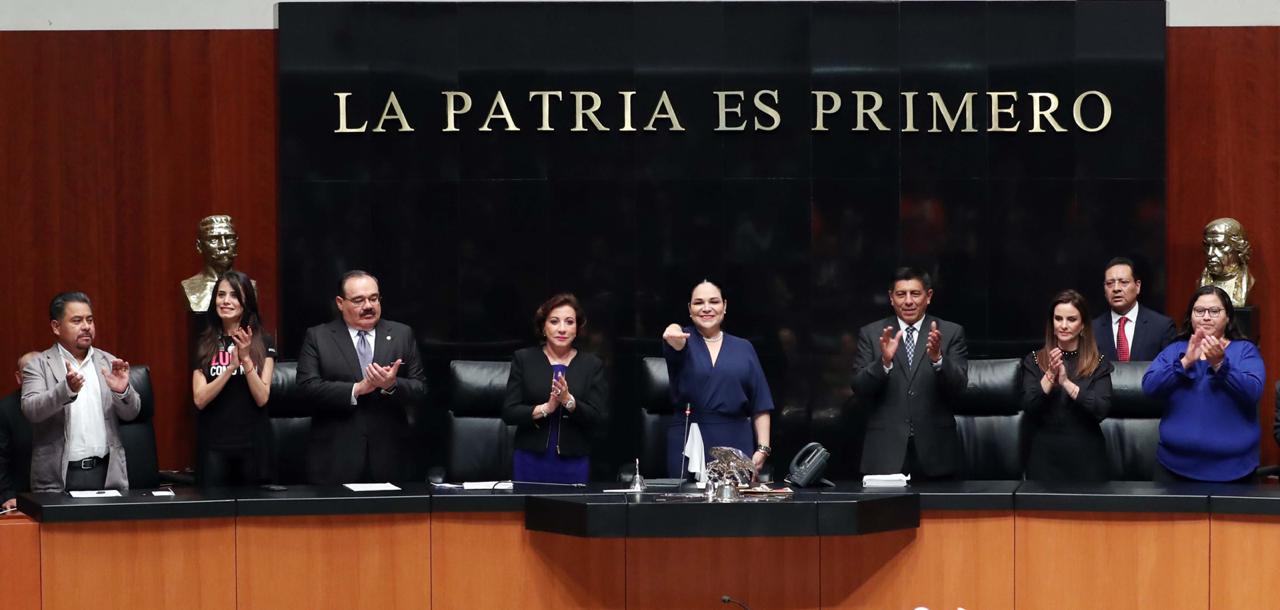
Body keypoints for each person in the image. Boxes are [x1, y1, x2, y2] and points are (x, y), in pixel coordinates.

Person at [297, 270, 428, 484]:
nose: (368, 306)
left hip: (390, 454)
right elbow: (307, 388)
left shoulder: (401, 334)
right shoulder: (318, 336)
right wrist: (356, 389)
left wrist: (391, 384)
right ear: (340, 303)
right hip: (336, 455)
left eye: (373, 298)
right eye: (358, 300)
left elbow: (420, 389)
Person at [851, 267, 968, 479]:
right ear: (891, 298)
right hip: (885, 451)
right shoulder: (872, 334)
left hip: (936, 452)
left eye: (915, 294)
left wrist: (938, 359)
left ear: (928, 296)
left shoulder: (950, 332)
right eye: (900, 294)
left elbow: (960, 387)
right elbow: (859, 388)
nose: (908, 301)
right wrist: (883, 363)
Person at [1142, 286, 1264, 483]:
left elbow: (1253, 391)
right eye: (1199, 311)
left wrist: (1220, 364)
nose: (1206, 317)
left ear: (1228, 318)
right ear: (1191, 316)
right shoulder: (1175, 350)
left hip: (1234, 471)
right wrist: (1185, 362)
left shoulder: (1244, 351)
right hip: (1174, 469)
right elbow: (1149, 387)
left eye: (1214, 311)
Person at [21, 292, 140, 492]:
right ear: (56, 327)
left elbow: (132, 413)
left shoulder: (109, 362)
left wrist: (122, 391)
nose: (86, 326)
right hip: (58, 479)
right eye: (77, 321)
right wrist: (65, 390)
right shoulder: (38, 365)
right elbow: (31, 410)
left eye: (90, 320)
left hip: (107, 475)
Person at [661, 281, 773, 479]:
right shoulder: (682, 341)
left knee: (734, 508)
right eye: (698, 303)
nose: (706, 308)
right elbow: (673, 336)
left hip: (735, 440)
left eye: (714, 301)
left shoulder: (744, 348)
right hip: (688, 439)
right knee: (685, 507)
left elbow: (761, 403)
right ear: (689, 309)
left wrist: (763, 448)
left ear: (725, 306)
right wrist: (673, 327)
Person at [501, 294, 607, 484]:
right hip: (530, 459)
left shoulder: (592, 365)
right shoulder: (524, 360)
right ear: (543, 327)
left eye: (569, 322)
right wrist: (546, 409)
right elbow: (509, 412)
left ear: (577, 329)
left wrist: (569, 401)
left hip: (574, 460)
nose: (562, 329)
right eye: (554, 321)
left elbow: (598, 417)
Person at [192, 271, 276, 488]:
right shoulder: (204, 343)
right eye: (221, 295)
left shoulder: (263, 341)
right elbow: (200, 399)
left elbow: (262, 397)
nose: (226, 301)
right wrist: (229, 368)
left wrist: (246, 359)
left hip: (253, 445)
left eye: (234, 295)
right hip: (214, 445)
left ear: (245, 301)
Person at [1020, 290, 1113, 482]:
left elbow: (1101, 409)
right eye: (1058, 319)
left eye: (1071, 319)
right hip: (1045, 457)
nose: (1063, 325)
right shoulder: (1035, 360)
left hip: (1087, 457)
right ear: (1051, 323)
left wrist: (1065, 383)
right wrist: (1050, 375)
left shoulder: (1098, 362)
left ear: (1083, 325)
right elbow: (1029, 406)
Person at [1092, 257, 1176, 362]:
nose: (1116, 288)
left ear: (1137, 286)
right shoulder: (1092, 330)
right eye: (1110, 283)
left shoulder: (1161, 327)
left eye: (1124, 282)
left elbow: (1170, 370)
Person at [181, 215, 247, 312]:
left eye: (229, 238)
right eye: (214, 239)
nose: (224, 246)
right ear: (199, 246)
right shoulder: (189, 288)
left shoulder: (249, 287)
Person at [1, 352, 40, 511]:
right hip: (18, 498)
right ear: (19, 377)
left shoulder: (64, 402)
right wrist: (7, 495)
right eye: (30, 373)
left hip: (59, 496)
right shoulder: (5, 409)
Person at [1199, 217, 1254, 307]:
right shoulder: (1201, 282)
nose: (1210, 253)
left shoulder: (1249, 283)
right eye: (1207, 246)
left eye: (1220, 246)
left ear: (1238, 248)